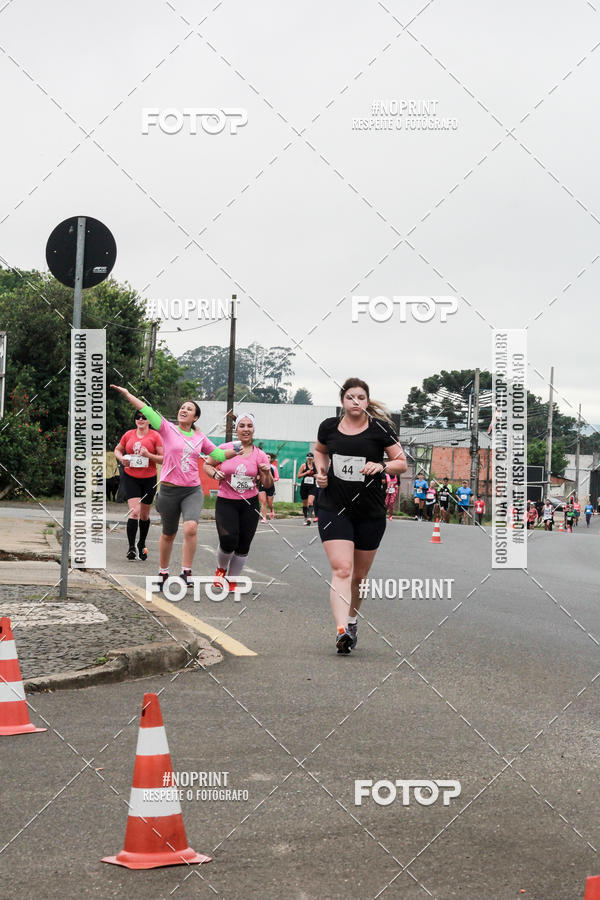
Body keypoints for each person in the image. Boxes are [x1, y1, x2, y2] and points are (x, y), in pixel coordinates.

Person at [110, 385, 243, 588]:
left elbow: (216, 455)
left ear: (195, 418)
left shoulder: (200, 437)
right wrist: (128, 395)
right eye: (182, 407)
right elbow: (146, 410)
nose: (184, 410)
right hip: (169, 490)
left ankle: (186, 572)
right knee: (168, 533)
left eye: (189, 409)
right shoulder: (167, 428)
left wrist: (237, 451)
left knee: (190, 527)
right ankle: (163, 572)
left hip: (192, 490)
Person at [314, 377, 407, 654]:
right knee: (342, 569)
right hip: (334, 508)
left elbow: (401, 462)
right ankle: (342, 630)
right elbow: (320, 451)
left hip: (370, 511)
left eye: (361, 398)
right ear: (342, 401)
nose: (355, 402)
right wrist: (321, 471)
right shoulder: (329, 427)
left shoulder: (380, 429)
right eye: (350, 397)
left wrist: (381, 466)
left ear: (367, 401)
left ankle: (352, 620)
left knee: (359, 577)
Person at [204, 414, 273, 593]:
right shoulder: (225, 448)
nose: (246, 429)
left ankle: (232, 580)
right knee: (228, 540)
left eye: (249, 426)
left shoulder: (260, 455)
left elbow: (268, 485)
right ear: (236, 430)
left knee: (243, 544)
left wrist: (266, 473)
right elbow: (208, 464)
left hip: (249, 504)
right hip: (226, 501)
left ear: (253, 430)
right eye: (242, 425)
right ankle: (221, 569)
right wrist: (214, 474)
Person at [114, 411, 163, 560]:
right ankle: (131, 548)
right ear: (135, 420)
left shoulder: (155, 436)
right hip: (131, 477)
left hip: (148, 478)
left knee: (144, 515)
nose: (140, 419)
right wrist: (122, 458)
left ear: (149, 420)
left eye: (144, 417)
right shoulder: (128, 434)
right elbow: (117, 449)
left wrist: (149, 455)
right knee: (134, 512)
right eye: (138, 417)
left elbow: (162, 458)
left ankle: (141, 544)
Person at [297, 452, 317, 525]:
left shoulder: (316, 466)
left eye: (311, 459)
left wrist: (313, 475)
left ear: (313, 459)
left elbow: (319, 475)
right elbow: (298, 476)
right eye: (308, 458)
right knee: (305, 504)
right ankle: (305, 518)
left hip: (312, 486)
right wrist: (306, 473)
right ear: (306, 458)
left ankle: (309, 518)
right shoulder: (303, 465)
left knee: (310, 502)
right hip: (304, 487)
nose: (309, 460)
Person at [258, 453, 278, 522]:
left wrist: (273, 479)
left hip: (270, 486)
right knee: (263, 502)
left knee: (269, 503)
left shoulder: (273, 467)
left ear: (270, 459)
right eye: (266, 457)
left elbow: (277, 477)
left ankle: (271, 509)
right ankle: (264, 518)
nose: (267, 458)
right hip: (262, 486)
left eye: (268, 457)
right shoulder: (260, 467)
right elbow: (257, 476)